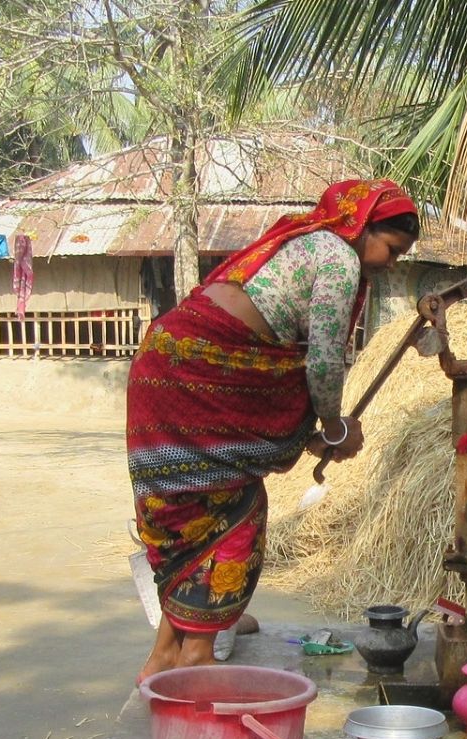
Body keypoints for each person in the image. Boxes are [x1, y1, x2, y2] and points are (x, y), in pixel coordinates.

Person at [128, 178, 420, 680]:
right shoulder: (338, 258)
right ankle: (196, 660)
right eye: (391, 249)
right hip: (202, 379)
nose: (389, 264)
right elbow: (324, 362)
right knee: (237, 516)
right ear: (362, 225)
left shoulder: (299, 241)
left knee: (189, 513)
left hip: (163, 368)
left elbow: (282, 344)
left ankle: (161, 659)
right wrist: (332, 427)